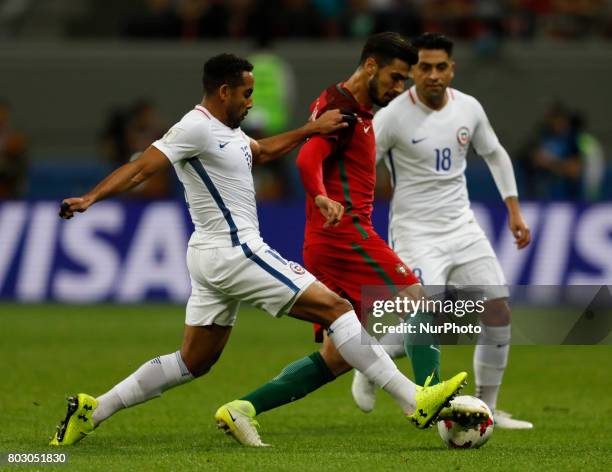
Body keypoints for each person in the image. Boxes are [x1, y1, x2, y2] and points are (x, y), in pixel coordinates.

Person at [49, 53, 468, 447]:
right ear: (223, 91)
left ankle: (94, 409)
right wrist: (90, 198)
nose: (251, 101)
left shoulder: (228, 132)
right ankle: (414, 399)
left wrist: (309, 131)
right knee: (338, 309)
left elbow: (262, 151)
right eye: (246, 93)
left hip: (211, 256)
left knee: (193, 361)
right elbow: (142, 167)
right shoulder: (193, 128)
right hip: (235, 251)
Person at [214, 33, 485, 448]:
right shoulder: (340, 109)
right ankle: (431, 399)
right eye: (395, 78)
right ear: (371, 67)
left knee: (339, 356)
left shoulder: (350, 108)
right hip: (346, 234)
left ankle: (242, 409)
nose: (398, 89)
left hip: (327, 240)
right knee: (417, 300)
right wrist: (321, 194)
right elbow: (307, 157)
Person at [350, 32, 533, 429]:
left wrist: (514, 211)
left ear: (452, 69)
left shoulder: (469, 108)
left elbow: (495, 154)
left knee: (498, 311)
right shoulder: (393, 116)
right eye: (424, 67)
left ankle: (489, 408)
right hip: (415, 232)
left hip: (462, 227)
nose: (432, 75)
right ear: (413, 70)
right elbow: (361, 167)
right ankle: (370, 367)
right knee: (425, 316)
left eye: (440, 67)